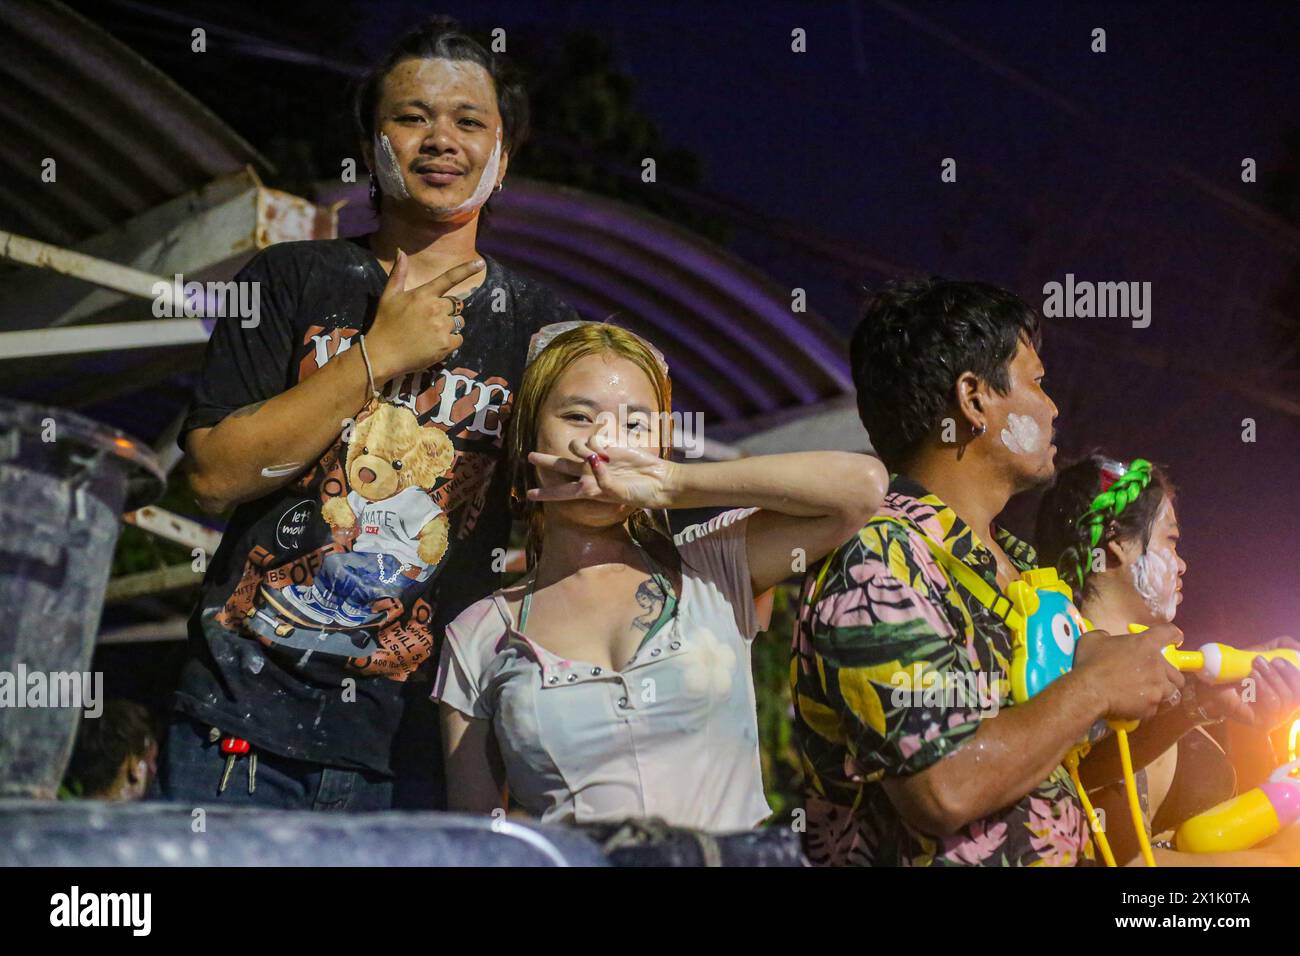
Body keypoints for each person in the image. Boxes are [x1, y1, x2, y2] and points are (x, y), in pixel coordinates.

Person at [163, 18, 579, 810]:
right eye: (411, 116)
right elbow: (213, 478)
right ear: (371, 140)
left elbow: (576, 519)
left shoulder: (543, 328)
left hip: (423, 753)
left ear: (505, 152)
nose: (439, 140)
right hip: (237, 730)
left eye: (468, 121)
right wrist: (376, 356)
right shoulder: (291, 279)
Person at [791, 277, 1185, 866]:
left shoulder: (1022, 567)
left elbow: (1052, 760)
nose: (1053, 407)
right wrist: (1096, 684)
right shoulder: (877, 563)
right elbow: (944, 787)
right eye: (1037, 382)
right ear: (974, 399)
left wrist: (1198, 706)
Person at [432, 323, 888, 830]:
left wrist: (672, 483)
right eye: (578, 416)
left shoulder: (715, 565)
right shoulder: (479, 636)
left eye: (635, 425)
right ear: (528, 434)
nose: (601, 445)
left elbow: (862, 489)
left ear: (663, 442)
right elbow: (473, 839)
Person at [1035, 454, 1300, 865]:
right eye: (1171, 541)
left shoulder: (1177, 684)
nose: (1182, 564)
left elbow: (1232, 819)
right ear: (1118, 543)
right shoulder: (1057, 673)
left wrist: (1250, 723)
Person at [62, 700, 158, 802]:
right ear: (133, 764)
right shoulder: (145, 817)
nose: (153, 769)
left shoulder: (58, 812)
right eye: (151, 760)